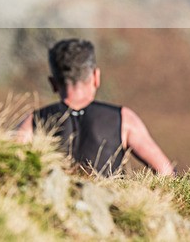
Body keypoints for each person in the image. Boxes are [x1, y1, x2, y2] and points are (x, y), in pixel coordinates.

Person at [17, 38, 175, 176]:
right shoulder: (123, 118)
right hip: (103, 207)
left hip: (52, 207)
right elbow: (166, 172)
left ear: (53, 83)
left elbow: (6, 163)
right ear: (96, 77)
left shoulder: (33, 121)